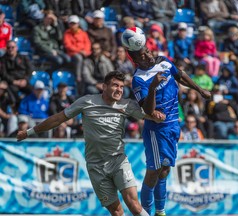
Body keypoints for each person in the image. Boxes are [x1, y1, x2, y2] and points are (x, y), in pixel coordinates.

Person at [17, 71, 166, 216]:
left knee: (133, 205)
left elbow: (150, 114)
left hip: (118, 161)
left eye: (121, 87)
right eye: (115, 85)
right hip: (96, 167)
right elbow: (58, 119)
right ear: (104, 86)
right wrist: (29, 132)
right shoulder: (86, 102)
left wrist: (158, 116)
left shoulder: (127, 105)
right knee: (116, 212)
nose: (119, 90)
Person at [128, 45, 211, 215]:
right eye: (142, 56)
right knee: (153, 172)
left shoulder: (163, 61)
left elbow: (180, 75)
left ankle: (160, 212)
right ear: (136, 61)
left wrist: (199, 90)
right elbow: (147, 110)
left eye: (148, 52)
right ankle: (145, 213)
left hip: (173, 125)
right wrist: (152, 87)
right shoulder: (138, 79)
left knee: (165, 170)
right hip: (156, 130)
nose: (148, 56)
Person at [0, 40, 33, 106]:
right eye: (8, 47)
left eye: (12, 47)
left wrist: (25, 80)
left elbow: (30, 70)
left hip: (23, 81)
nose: (10, 49)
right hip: (11, 83)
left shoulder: (23, 57)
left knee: (33, 91)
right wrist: (13, 81)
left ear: (16, 48)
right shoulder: (2, 59)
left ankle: (30, 108)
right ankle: (17, 108)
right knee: (11, 91)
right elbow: (3, 74)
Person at [63, 15, 91, 82]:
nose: (73, 25)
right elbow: (68, 45)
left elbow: (87, 43)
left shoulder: (83, 33)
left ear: (78, 24)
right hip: (73, 53)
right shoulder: (66, 33)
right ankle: (78, 76)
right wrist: (80, 51)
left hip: (84, 53)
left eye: (74, 24)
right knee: (78, 58)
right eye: (71, 24)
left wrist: (85, 51)